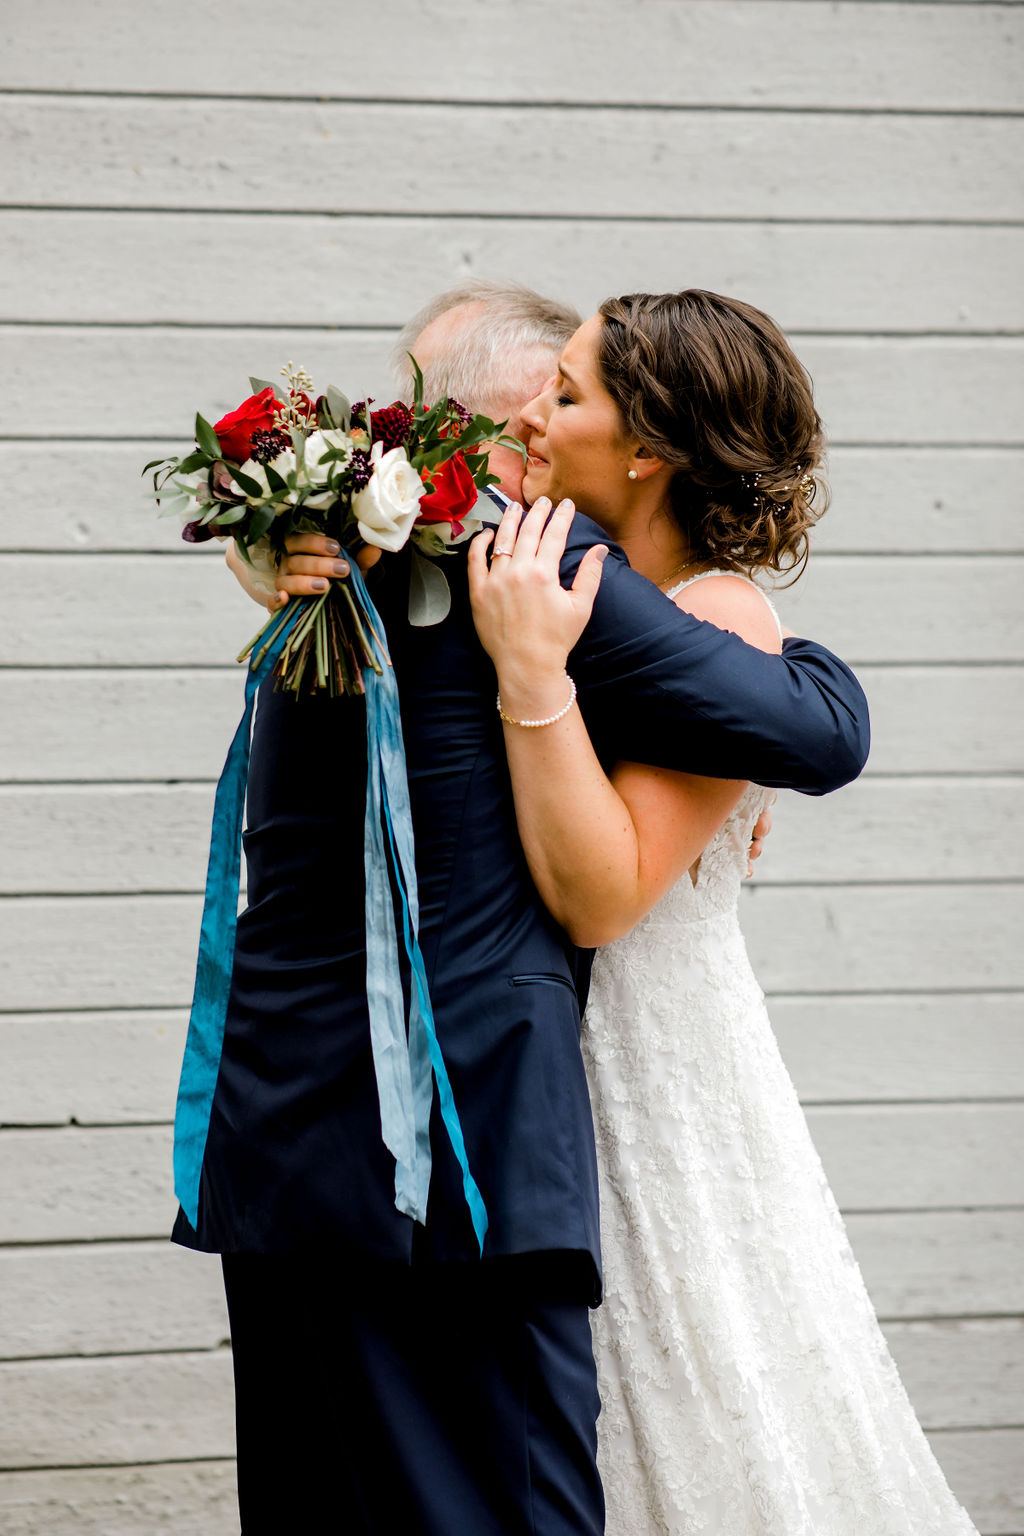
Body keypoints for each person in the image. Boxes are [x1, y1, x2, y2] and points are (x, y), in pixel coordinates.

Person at [205, 280, 869, 1533]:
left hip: (322, 1140)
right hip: (468, 1143)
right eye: (543, 397)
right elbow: (822, 733)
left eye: (569, 396)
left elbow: (584, 872)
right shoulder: (496, 562)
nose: (533, 431)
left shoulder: (370, 561)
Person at [467, 290, 978, 1535]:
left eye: (568, 393)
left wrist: (532, 676)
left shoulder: (717, 618)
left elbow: (600, 894)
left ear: (646, 451)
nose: (535, 407)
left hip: (655, 1073)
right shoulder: (569, 573)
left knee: (690, 1401)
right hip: (555, 1064)